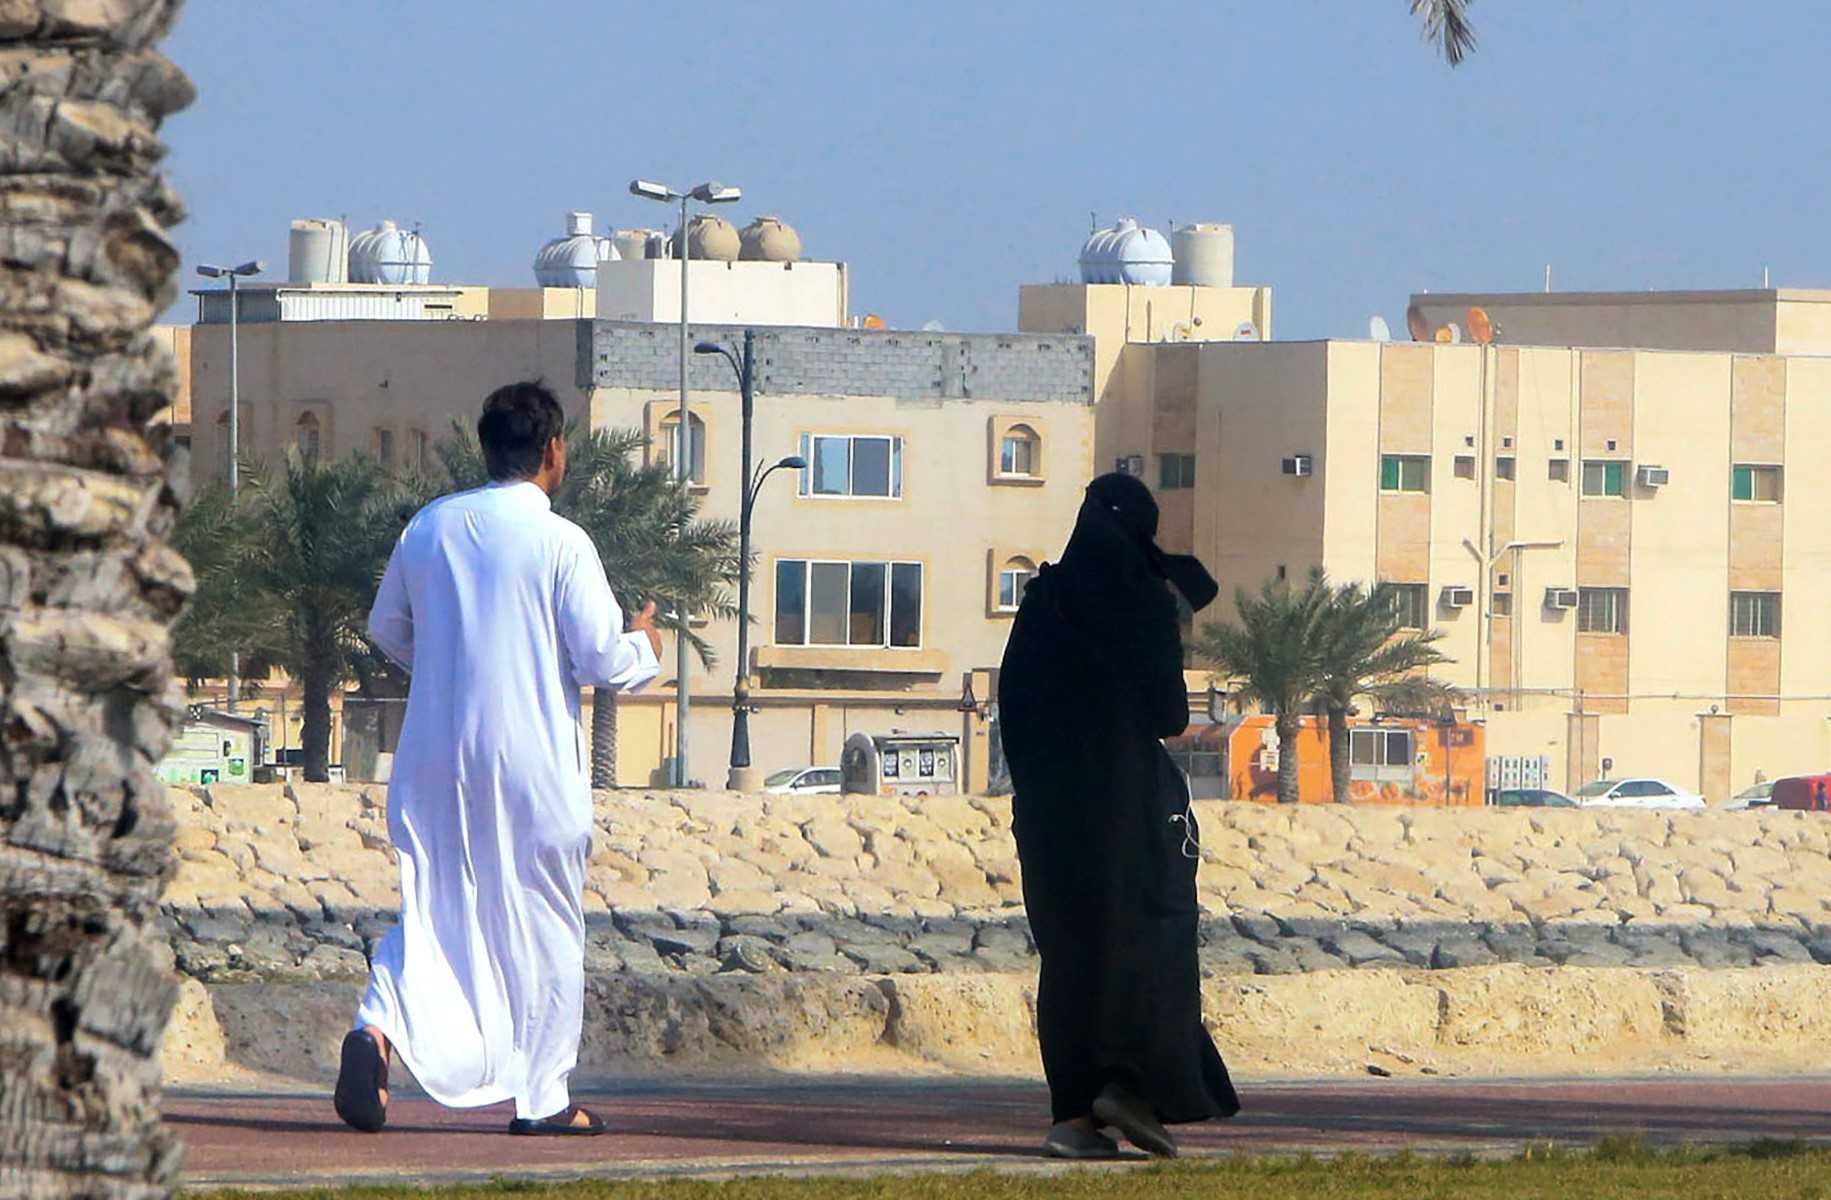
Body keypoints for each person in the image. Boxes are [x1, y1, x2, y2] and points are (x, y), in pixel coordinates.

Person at [333, 381, 662, 1136]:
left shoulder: (430, 526)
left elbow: (389, 628)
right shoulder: (560, 540)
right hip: (530, 759)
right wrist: (645, 641)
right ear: (552, 451)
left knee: (436, 900)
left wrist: (457, 661)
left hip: (432, 754)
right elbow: (601, 658)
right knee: (545, 918)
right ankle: (543, 1098)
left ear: (487, 448)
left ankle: (376, 1024)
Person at [997, 472, 1239, 1160]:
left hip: (1047, 812)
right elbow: (1167, 713)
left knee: (1070, 957)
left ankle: (1072, 1118)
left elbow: (1015, 705)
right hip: (1124, 805)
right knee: (1145, 943)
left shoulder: (1041, 601)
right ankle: (1129, 1086)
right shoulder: (1138, 597)